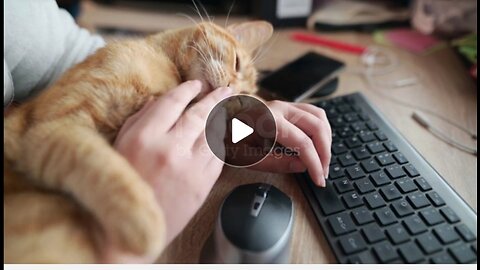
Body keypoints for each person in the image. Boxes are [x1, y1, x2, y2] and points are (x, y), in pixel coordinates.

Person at [4, 0, 331, 263]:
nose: (231, 86)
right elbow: (45, 137)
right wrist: (127, 242)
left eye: (238, 96)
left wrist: (235, 128)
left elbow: (66, 52)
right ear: (226, 30)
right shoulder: (136, 62)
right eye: (236, 64)